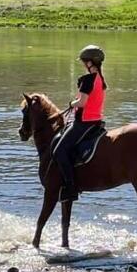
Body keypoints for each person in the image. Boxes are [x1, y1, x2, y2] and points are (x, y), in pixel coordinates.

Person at [53, 45, 108, 203]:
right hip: (95, 121)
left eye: (84, 62)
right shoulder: (100, 79)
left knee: (59, 151)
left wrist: (72, 103)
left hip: (84, 122)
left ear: (89, 62)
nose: (83, 64)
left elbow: (82, 102)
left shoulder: (88, 79)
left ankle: (71, 189)